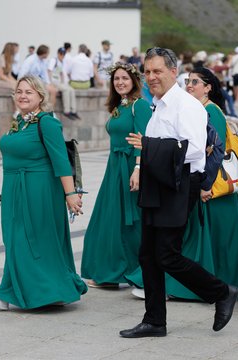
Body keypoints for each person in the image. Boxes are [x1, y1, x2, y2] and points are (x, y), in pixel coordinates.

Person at [120, 47, 238, 338]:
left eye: (157, 71)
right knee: (148, 255)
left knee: (167, 255)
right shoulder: (159, 104)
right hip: (158, 183)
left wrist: (149, 146)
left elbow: (196, 149)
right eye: (147, 72)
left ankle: (222, 292)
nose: (151, 77)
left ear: (174, 72)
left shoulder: (187, 105)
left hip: (179, 185)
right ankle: (155, 321)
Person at [0, 75, 88, 310]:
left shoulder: (46, 123)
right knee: (14, 238)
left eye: (29, 92)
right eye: (19, 91)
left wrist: (70, 195)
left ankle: (6, 294)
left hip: (39, 192)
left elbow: (60, 161)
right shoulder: (19, 122)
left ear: (40, 96)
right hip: (14, 189)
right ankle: (46, 289)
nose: (23, 96)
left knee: (31, 240)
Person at [162, 67, 238, 301]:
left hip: (213, 187)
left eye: (195, 81)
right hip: (204, 184)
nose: (189, 85)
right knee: (207, 239)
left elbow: (215, 150)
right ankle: (201, 285)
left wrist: (206, 185)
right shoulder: (197, 109)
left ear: (208, 87)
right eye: (187, 81)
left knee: (218, 241)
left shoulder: (211, 111)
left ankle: (208, 286)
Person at [81, 62, 151, 288]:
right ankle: (111, 273)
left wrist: (138, 169)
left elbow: (144, 139)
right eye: (116, 79)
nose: (120, 82)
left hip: (131, 166)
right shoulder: (120, 106)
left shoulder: (139, 106)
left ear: (134, 81)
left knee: (131, 221)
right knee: (110, 219)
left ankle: (137, 272)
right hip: (114, 166)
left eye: (125, 78)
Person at [18, 45, 58, 110]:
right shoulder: (31, 60)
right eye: (48, 53)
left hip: (39, 81)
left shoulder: (43, 61)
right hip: (29, 82)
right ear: (44, 53)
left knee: (53, 90)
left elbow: (44, 74)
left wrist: (49, 83)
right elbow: (23, 72)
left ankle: (50, 110)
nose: (48, 55)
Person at [48, 47, 80, 120]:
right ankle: (67, 111)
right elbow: (49, 71)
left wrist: (63, 82)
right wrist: (50, 82)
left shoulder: (61, 62)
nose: (62, 55)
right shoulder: (54, 60)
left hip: (59, 81)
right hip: (54, 81)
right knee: (66, 90)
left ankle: (73, 110)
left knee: (71, 89)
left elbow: (61, 73)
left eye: (63, 54)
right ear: (58, 53)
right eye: (61, 54)